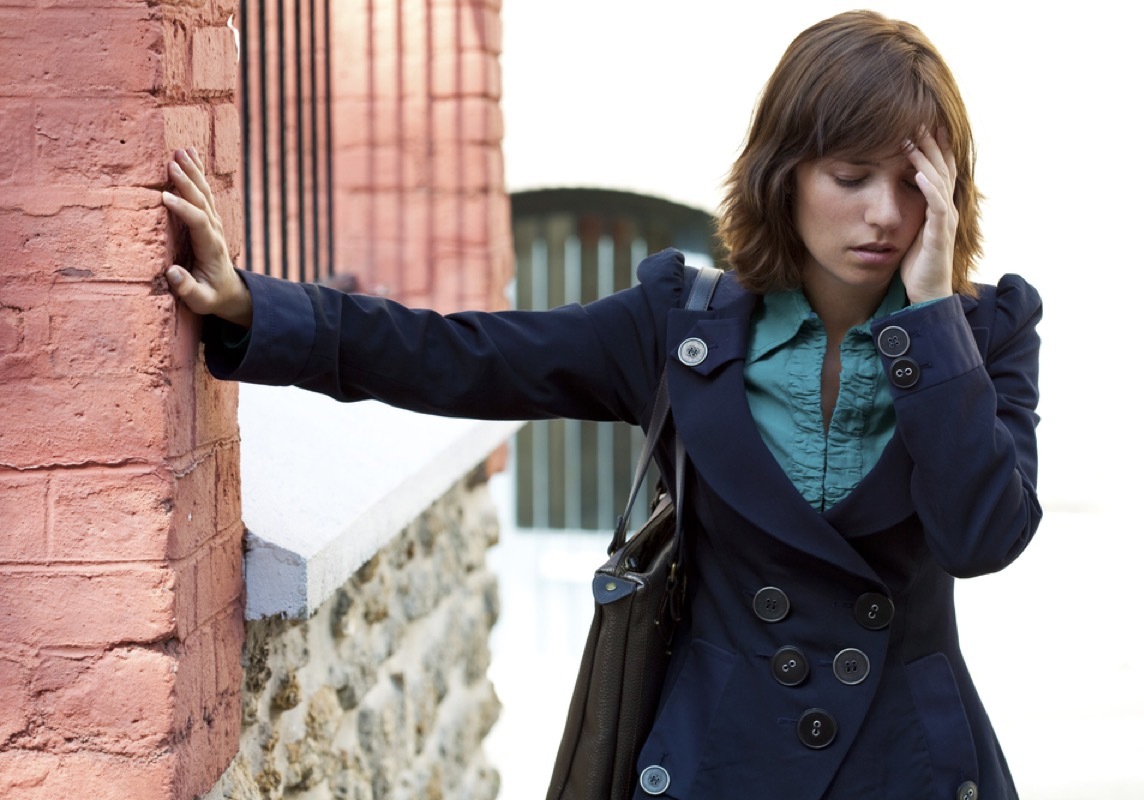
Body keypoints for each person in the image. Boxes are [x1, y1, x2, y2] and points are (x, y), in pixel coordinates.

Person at [163, 9, 1041, 799]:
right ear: (787, 176)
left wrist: (931, 321)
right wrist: (254, 308)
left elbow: (982, 538)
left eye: (913, 183)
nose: (885, 214)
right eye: (852, 176)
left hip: (908, 768)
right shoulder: (683, 331)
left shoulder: (983, 336)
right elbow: (464, 356)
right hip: (721, 764)